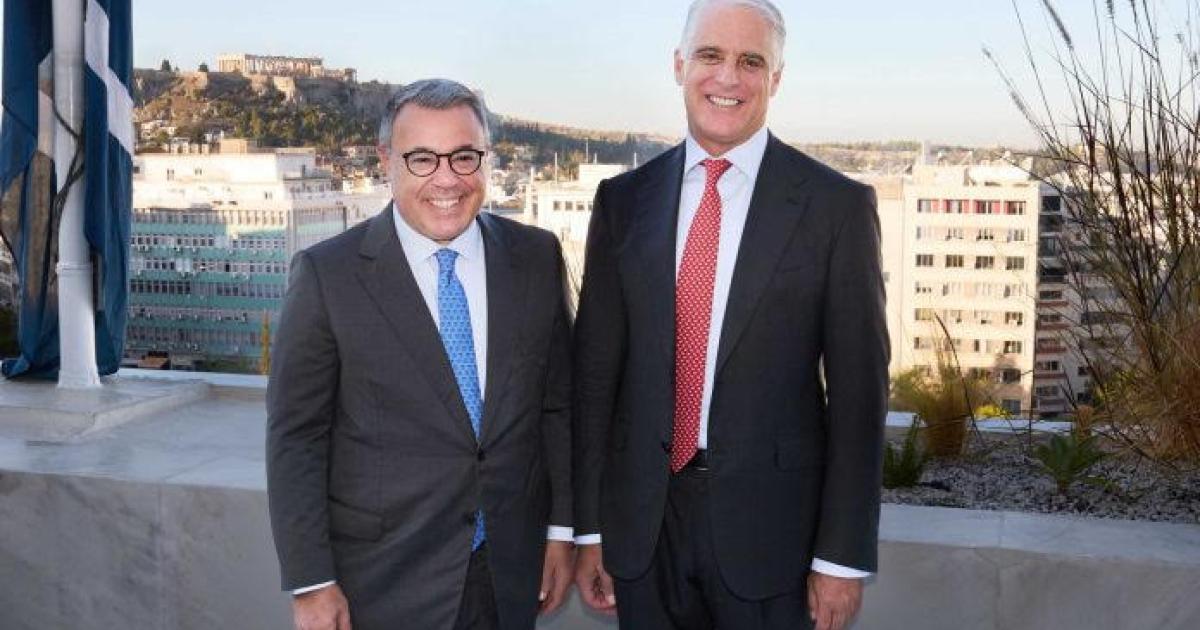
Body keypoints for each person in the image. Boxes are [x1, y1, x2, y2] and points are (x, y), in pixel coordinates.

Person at [571, 1, 889, 629]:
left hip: (774, 536)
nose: (728, 78)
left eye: (751, 61)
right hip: (643, 531)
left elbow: (859, 396)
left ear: (776, 78)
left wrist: (841, 557)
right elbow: (594, 378)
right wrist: (590, 530)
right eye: (711, 55)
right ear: (679, 65)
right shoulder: (623, 202)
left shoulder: (836, 207)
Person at [267, 78, 574, 630]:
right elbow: (297, 437)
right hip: (382, 584)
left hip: (509, 573)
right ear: (387, 160)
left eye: (463, 156)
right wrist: (312, 581)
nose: (446, 179)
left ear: (486, 158)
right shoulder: (327, 276)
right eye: (423, 158)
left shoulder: (535, 257)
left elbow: (557, 408)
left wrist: (559, 531)